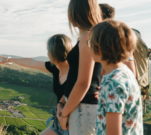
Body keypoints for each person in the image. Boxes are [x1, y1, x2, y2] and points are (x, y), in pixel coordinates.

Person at [0, 34, 73, 135]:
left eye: (48, 50)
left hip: (71, 124)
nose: (47, 54)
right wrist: (9, 59)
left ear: (54, 52)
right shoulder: (55, 68)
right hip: (58, 121)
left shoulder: (75, 72)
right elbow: (30, 62)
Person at [88, 20, 143, 135]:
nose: (88, 47)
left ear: (99, 48)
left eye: (90, 43)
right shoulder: (125, 73)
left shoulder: (112, 83)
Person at [58, 0, 103, 134]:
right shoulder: (95, 35)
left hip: (82, 108)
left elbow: (83, 83)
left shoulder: (87, 37)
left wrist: (64, 114)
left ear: (75, 13)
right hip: (83, 107)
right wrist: (62, 102)